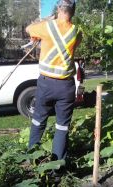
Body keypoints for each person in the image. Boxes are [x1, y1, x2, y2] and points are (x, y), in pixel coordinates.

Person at [26, 0, 82, 162]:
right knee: (62, 127)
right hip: (66, 86)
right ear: (73, 11)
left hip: (46, 84)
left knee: (38, 121)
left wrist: (45, 21)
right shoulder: (76, 31)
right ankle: (58, 167)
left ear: (58, 9)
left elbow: (28, 29)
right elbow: (73, 45)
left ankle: (33, 161)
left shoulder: (47, 27)